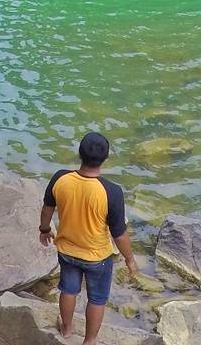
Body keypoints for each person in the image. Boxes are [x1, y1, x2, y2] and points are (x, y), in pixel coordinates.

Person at [39, 132, 138, 344]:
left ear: (79, 154)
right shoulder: (111, 191)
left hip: (66, 251)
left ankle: (66, 329)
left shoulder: (60, 178)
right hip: (97, 258)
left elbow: (47, 208)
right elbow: (119, 234)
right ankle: (89, 341)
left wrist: (45, 229)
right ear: (106, 158)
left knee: (68, 290)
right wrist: (129, 259)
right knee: (97, 299)